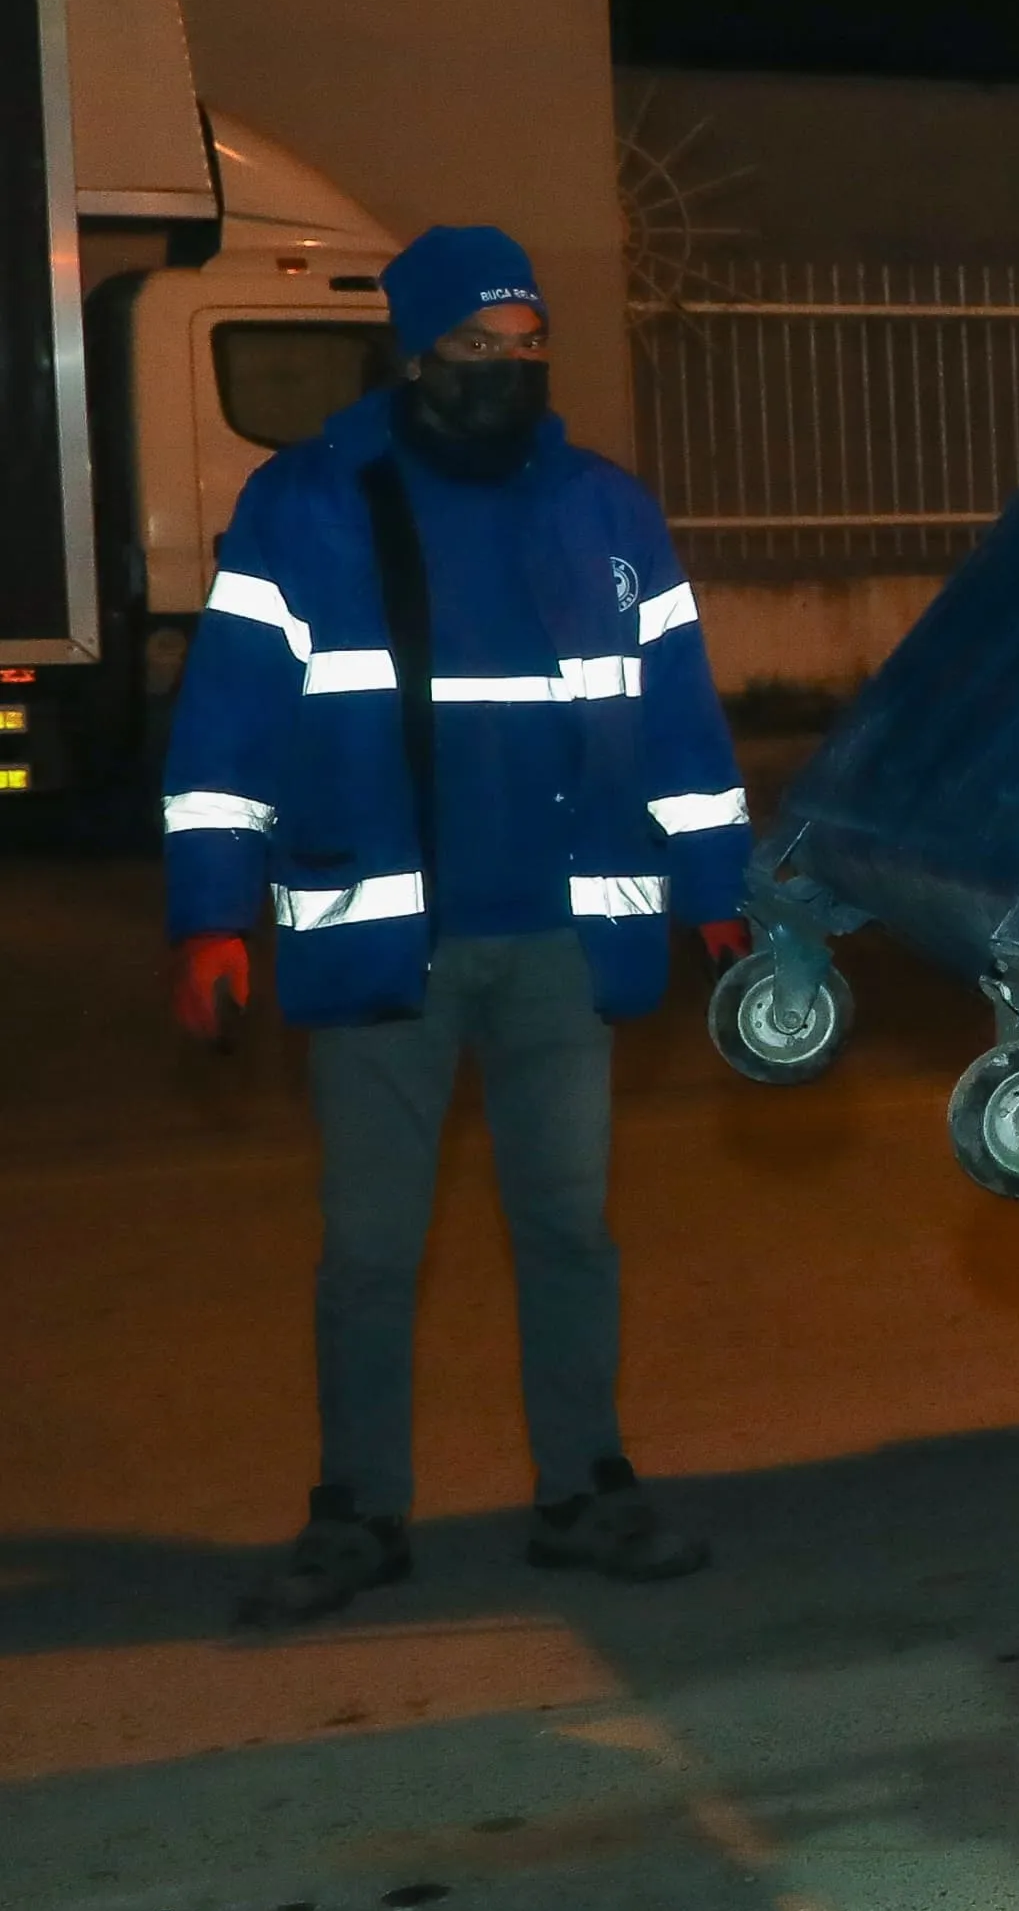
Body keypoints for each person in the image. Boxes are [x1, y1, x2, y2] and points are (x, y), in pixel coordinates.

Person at [162, 225, 755, 1627]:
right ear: (416, 352)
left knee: (567, 1228)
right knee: (372, 1248)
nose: (505, 371)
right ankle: (357, 1512)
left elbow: (678, 719)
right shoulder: (309, 504)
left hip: (561, 938)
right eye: (476, 348)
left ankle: (583, 1491)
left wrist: (721, 890)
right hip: (387, 949)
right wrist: (208, 917)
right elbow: (228, 722)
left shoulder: (606, 511)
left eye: (528, 346)